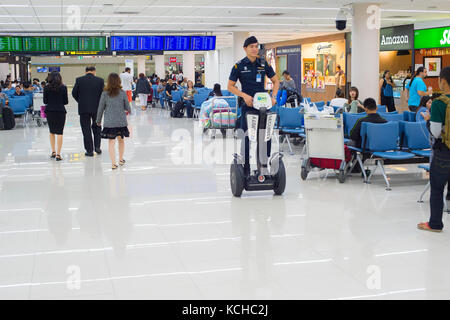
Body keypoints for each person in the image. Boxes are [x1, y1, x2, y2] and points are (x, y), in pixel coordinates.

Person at [227, 36, 279, 175]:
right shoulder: (239, 66)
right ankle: (245, 166)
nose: (255, 49)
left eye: (256, 46)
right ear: (245, 49)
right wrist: (244, 96)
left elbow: (276, 81)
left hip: (263, 106)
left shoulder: (263, 63)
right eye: (252, 46)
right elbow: (230, 86)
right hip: (248, 106)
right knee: (246, 136)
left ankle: (263, 165)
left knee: (265, 136)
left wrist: (273, 97)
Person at [418, 67, 450, 232]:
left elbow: (436, 132)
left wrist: (429, 120)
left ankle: (435, 224)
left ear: (443, 81)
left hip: (444, 152)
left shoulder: (439, 103)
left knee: (437, 187)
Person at [96, 73, 131, 170]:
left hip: (109, 122)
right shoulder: (123, 93)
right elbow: (128, 107)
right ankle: (120, 159)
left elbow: (100, 108)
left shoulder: (104, 94)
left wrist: (98, 120)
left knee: (111, 142)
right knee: (121, 140)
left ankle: (113, 163)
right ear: (119, 81)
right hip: (121, 121)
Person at [72, 66, 105, 157]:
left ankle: (89, 151)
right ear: (94, 71)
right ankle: (97, 147)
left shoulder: (79, 80)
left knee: (86, 129)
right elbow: (103, 94)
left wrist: (81, 101)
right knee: (97, 127)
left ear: (85, 71)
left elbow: (74, 93)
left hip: (83, 109)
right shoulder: (100, 80)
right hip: (97, 108)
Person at [43, 71, 68, 162]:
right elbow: (66, 102)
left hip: (50, 111)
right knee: (60, 132)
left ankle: (53, 151)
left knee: (52, 131)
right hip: (60, 111)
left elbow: (45, 101)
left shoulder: (46, 88)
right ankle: (58, 154)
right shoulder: (63, 87)